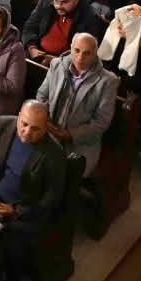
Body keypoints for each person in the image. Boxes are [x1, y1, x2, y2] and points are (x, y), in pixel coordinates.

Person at [0, 101, 71, 281]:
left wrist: (15, 211)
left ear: (45, 127)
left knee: (12, 248)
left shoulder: (54, 153)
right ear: (18, 117)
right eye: (24, 124)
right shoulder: (2, 125)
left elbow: (52, 198)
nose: (27, 132)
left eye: (35, 129)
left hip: (25, 212)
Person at [36, 32, 119, 176]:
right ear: (71, 48)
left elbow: (101, 122)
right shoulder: (57, 64)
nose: (80, 57)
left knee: (62, 174)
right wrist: (46, 120)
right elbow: (42, 95)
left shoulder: (107, 81)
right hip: (49, 131)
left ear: (95, 54)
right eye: (77, 50)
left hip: (80, 144)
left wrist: (70, 135)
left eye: (87, 53)